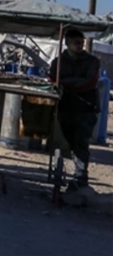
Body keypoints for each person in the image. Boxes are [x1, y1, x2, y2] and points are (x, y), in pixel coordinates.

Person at [49, 28, 101, 189]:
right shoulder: (59, 62)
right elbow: (53, 80)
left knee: (81, 142)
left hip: (86, 108)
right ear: (68, 43)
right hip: (66, 107)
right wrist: (71, 82)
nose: (80, 46)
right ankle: (76, 175)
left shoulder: (92, 61)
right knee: (71, 142)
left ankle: (81, 176)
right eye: (76, 43)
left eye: (81, 43)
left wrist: (66, 83)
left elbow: (89, 82)